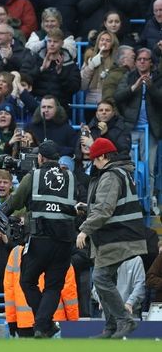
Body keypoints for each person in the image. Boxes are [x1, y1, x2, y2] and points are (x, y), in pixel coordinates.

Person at [0, 140, 77, 338]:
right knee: (54, 286)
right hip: (65, 240)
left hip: (41, 238)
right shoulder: (71, 176)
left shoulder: (35, 175)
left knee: (28, 280)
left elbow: (16, 201)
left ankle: (43, 323)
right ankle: (43, 325)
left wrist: (0, 212)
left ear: (40, 158)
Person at [76, 138, 147, 339]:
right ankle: (111, 327)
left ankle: (124, 320)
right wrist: (87, 208)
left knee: (100, 278)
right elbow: (110, 206)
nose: (93, 164)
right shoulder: (122, 172)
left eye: (95, 160)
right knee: (105, 280)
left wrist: (84, 230)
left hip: (117, 237)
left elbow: (105, 209)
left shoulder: (110, 176)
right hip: (122, 235)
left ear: (104, 156)